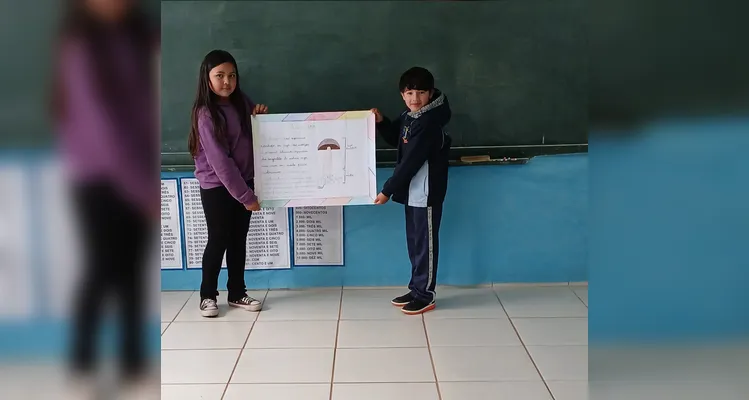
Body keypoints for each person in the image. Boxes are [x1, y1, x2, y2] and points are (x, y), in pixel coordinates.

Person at [50, 0, 159, 396]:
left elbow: (146, 112)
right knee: (100, 270)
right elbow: (104, 129)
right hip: (98, 179)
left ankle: (132, 364)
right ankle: (81, 366)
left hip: (137, 175)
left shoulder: (135, 38)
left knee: (131, 275)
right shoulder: (81, 46)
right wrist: (143, 190)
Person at [188, 49, 269, 318]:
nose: (227, 82)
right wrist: (246, 197)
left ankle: (237, 293)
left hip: (243, 183)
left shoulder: (240, 102)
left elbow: (251, 133)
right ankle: (207, 296)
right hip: (218, 188)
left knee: (238, 241)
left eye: (232, 75)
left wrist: (257, 114)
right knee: (219, 239)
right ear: (207, 79)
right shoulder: (205, 114)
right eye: (219, 75)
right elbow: (220, 163)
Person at [371, 66, 452, 315]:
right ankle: (416, 288)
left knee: (425, 244)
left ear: (431, 93)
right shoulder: (411, 116)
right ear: (402, 95)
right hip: (413, 193)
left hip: (426, 193)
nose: (414, 98)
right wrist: (383, 122)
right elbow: (398, 136)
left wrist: (387, 190)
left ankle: (425, 294)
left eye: (420, 92)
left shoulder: (429, 123)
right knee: (415, 243)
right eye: (409, 93)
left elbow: (411, 162)